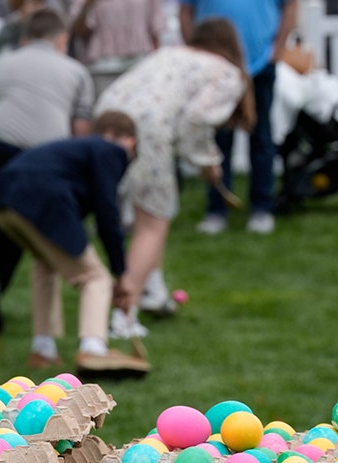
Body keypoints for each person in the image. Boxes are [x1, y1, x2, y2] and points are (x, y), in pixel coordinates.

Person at [95, 17, 250, 340]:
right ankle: (124, 317)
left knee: (146, 216)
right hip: (147, 130)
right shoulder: (226, 72)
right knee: (153, 222)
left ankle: (153, 293)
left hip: (107, 119)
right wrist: (207, 162)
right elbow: (195, 120)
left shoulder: (170, 53)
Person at [0, 9, 94, 335]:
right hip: (39, 162)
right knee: (14, 235)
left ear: (26, 38)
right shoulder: (76, 71)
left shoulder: (2, 64)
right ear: (61, 40)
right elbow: (80, 133)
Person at [0, 112, 149, 378]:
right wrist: (120, 274)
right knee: (95, 277)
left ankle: (43, 349)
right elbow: (107, 213)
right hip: (42, 199)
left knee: (46, 264)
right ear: (131, 142)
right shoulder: (112, 151)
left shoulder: (80, 148)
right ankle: (93, 348)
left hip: (4, 202)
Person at [180, 0, 297, 235]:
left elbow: (291, 6)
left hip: (260, 62)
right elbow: (185, 11)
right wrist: (197, 52)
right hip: (215, 65)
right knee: (218, 140)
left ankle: (262, 208)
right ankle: (217, 209)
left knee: (261, 137)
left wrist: (277, 50)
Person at [72, 0, 163, 96]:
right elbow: (76, 31)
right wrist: (88, 4)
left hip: (140, 65)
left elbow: (155, 30)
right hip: (102, 69)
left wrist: (157, 67)